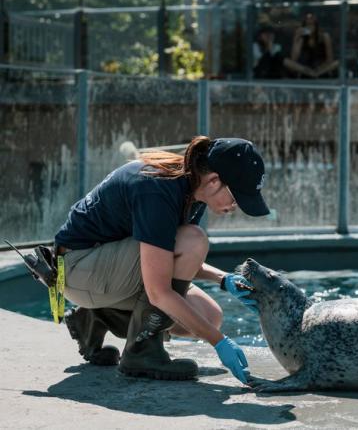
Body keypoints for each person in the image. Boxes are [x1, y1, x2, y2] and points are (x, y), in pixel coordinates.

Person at [54, 136, 269, 383]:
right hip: (76, 268)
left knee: (210, 318)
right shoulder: (157, 189)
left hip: (100, 270)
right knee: (194, 241)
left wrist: (223, 279)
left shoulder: (190, 188)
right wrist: (219, 342)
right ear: (213, 181)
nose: (236, 206)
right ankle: (141, 352)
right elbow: (159, 291)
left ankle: (95, 317)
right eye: (236, 196)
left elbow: (168, 257)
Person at [284, 12, 339, 79]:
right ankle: (311, 74)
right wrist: (296, 39)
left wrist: (320, 69)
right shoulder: (302, 38)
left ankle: (316, 74)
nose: (310, 28)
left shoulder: (324, 36)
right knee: (286, 61)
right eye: (307, 25)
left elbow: (330, 59)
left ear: (316, 25)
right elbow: (294, 59)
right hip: (306, 69)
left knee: (337, 63)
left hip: (321, 68)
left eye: (312, 25)